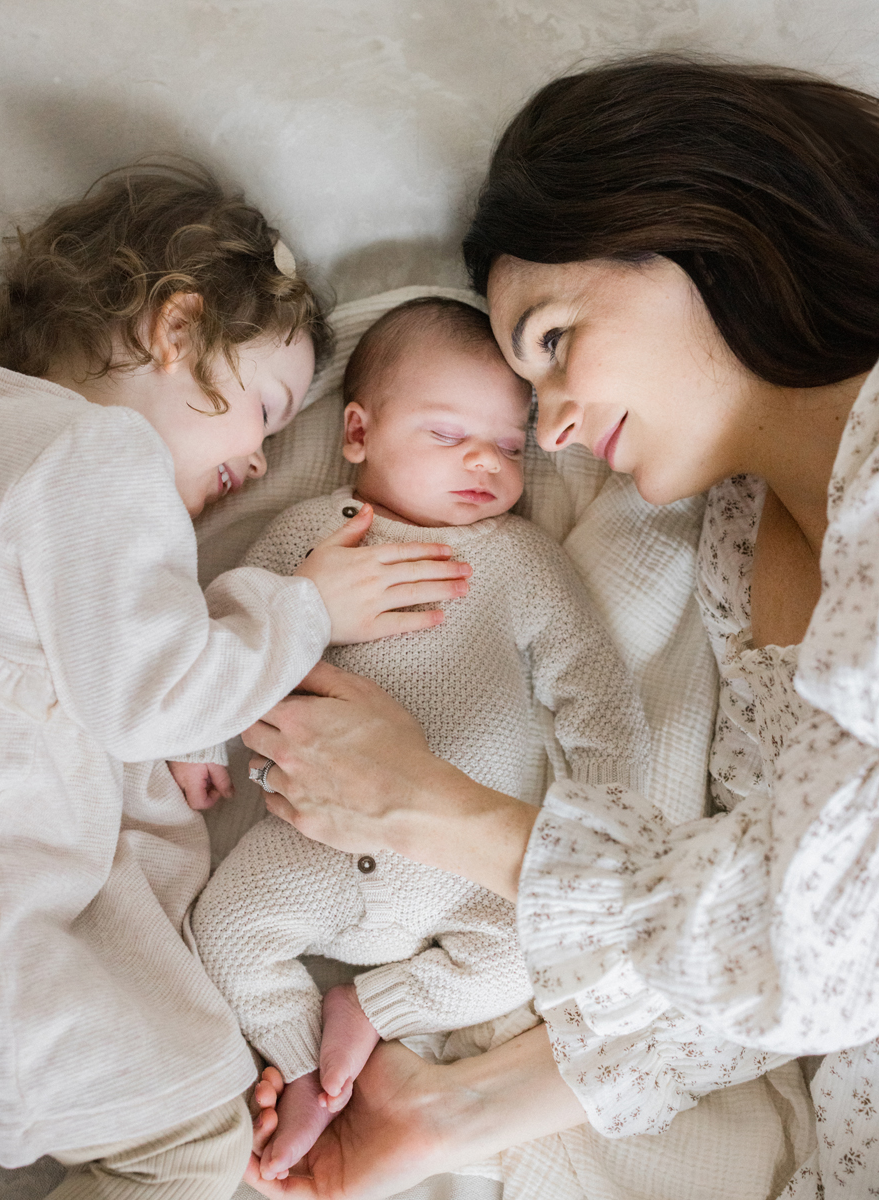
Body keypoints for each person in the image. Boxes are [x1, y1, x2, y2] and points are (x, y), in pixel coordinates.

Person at [240, 58, 879, 1199]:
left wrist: (437, 808)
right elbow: (741, 949)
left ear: (697, 225)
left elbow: (829, 943)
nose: (558, 431)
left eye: (552, 342)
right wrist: (450, 1113)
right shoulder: (734, 546)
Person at [0, 162, 471, 1200]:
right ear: (174, 330)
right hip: (5, 951)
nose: (256, 461)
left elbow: (68, 661)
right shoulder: (97, 452)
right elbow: (149, 690)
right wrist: (309, 610)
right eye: (263, 408)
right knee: (194, 1144)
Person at [186, 295, 651, 1183]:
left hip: (463, 874)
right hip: (308, 845)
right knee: (228, 931)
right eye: (447, 435)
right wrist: (200, 742)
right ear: (357, 432)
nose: (485, 460)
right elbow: (231, 635)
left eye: (510, 446)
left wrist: (597, 805)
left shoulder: (516, 559)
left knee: (529, 952)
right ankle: (318, 1086)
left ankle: (370, 1010)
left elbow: (589, 679)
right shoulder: (313, 538)